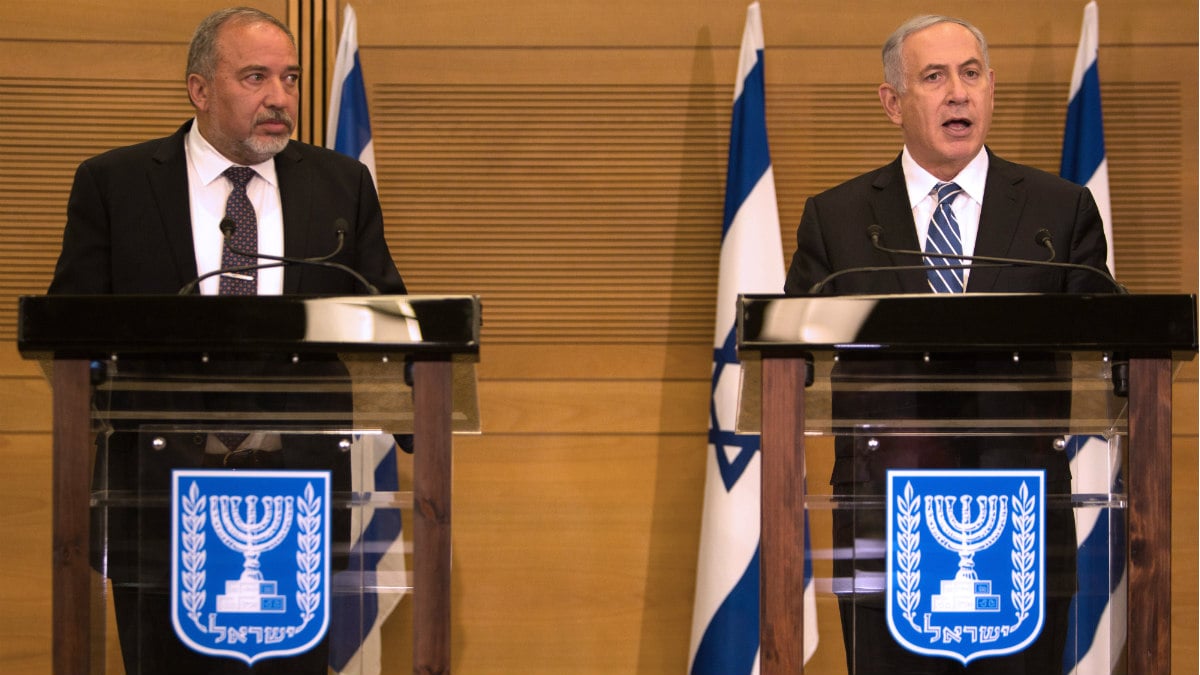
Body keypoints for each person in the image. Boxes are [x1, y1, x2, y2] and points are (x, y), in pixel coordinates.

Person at [47, 7, 405, 674]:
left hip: (298, 499)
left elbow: (390, 323)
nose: (280, 97)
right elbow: (72, 334)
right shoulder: (115, 185)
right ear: (200, 89)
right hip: (154, 499)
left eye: (291, 78)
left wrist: (424, 407)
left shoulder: (340, 185)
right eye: (255, 77)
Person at [783, 15, 1113, 675]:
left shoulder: (1060, 211)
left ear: (991, 88)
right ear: (892, 102)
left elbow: (1109, 342)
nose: (957, 93)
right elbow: (793, 360)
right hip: (881, 514)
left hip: (1022, 516)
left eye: (970, 74)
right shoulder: (839, 218)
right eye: (933, 77)